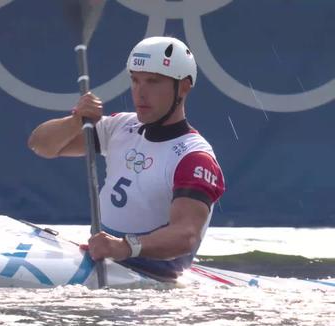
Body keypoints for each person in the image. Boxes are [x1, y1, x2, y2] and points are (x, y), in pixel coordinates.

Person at [27, 36, 225, 280]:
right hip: (102, 262)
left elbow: (186, 235)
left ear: (183, 87)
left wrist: (124, 247)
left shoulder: (194, 157)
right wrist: (76, 119)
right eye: (135, 80)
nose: (140, 93)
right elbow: (41, 145)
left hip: (153, 278)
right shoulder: (122, 126)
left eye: (153, 82)